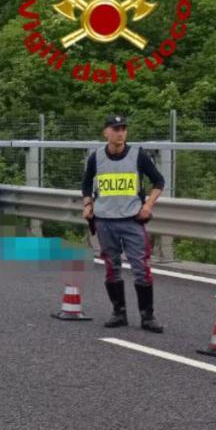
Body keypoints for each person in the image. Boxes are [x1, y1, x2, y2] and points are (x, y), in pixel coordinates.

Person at [82, 114, 165, 333]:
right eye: (115, 128)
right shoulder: (96, 157)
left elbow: (159, 181)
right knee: (112, 267)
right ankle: (118, 313)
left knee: (141, 268)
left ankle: (148, 316)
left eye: (123, 129)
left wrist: (148, 205)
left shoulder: (138, 155)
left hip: (132, 221)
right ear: (106, 132)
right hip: (104, 222)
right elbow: (86, 183)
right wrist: (87, 205)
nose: (120, 132)